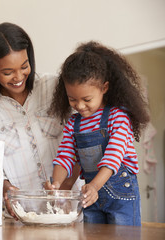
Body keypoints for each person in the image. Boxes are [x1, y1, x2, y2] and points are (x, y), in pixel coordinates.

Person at [0, 22, 80, 218]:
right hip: (25, 214)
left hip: (69, 210)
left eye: (24, 66)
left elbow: (83, 137)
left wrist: (65, 188)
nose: (19, 76)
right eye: (8, 72)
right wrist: (7, 190)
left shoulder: (54, 87)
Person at [46, 41, 150, 226]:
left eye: (87, 99)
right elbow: (65, 156)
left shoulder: (117, 117)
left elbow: (113, 157)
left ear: (104, 88)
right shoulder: (73, 124)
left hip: (121, 196)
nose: (79, 106)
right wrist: (56, 185)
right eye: (72, 99)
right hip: (90, 196)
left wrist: (94, 186)